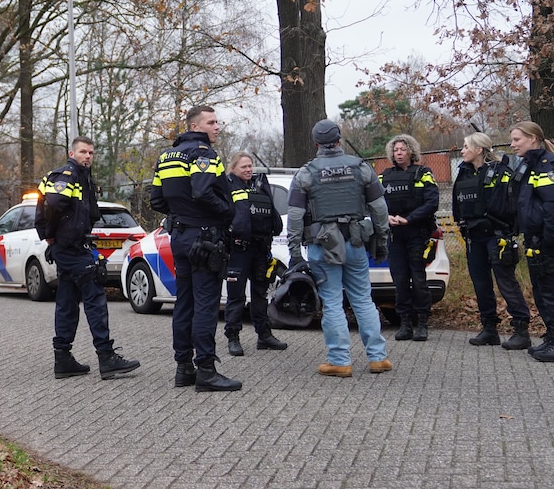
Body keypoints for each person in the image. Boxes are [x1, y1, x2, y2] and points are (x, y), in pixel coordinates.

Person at [287, 119, 392, 378]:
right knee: (362, 299)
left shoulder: (306, 173)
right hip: (356, 241)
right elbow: (379, 208)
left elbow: (295, 214)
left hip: (322, 246)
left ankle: (340, 361)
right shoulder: (361, 168)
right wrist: (382, 238)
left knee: (332, 301)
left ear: (316, 144)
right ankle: (378, 358)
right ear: (339, 140)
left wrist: (293, 251)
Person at [149, 106, 242, 392]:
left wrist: (181, 212)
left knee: (184, 303)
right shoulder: (204, 154)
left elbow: (156, 200)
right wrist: (227, 211)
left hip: (180, 236)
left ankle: (183, 368)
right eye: (211, 122)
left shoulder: (165, 157)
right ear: (195, 126)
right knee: (205, 304)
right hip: (205, 238)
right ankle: (206, 370)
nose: (217, 127)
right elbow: (203, 192)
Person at [37, 137, 140, 380]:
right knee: (95, 298)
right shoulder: (68, 174)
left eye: (91, 152)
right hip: (71, 248)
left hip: (72, 247)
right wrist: (51, 236)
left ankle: (63, 359)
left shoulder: (84, 178)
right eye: (83, 152)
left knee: (67, 300)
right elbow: (53, 203)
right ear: (72, 152)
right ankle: (106, 357)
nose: (88, 156)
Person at [509, 121, 554, 363]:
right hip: (537, 237)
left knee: (552, 290)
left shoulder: (550, 164)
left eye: (517, 139)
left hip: (552, 238)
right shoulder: (529, 165)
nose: (512, 145)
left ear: (532, 138)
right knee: (541, 290)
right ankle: (552, 336)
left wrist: (548, 240)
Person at [453, 132, 532, 350]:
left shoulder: (501, 172)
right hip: (473, 237)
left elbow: (508, 205)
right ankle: (489, 329)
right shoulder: (464, 173)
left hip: (497, 236)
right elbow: (456, 205)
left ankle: (521, 330)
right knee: (481, 284)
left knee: (506, 282)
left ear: (479, 149)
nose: (462, 151)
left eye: (466, 146)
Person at [222, 151, 288, 355]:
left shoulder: (259, 186)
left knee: (260, 293)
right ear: (233, 168)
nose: (249, 169)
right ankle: (233, 337)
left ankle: (264, 335)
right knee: (236, 296)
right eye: (244, 167)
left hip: (261, 248)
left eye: (250, 166)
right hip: (238, 249)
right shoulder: (227, 187)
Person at [380, 134, 440, 341]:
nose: (398, 153)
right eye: (395, 150)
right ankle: (404, 324)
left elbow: (432, 202)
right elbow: (375, 203)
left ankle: (422, 323)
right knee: (400, 280)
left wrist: (409, 219)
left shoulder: (424, 174)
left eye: (402, 149)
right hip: (395, 235)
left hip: (417, 233)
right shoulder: (384, 176)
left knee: (419, 279)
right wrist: (386, 217)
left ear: (411, 152)